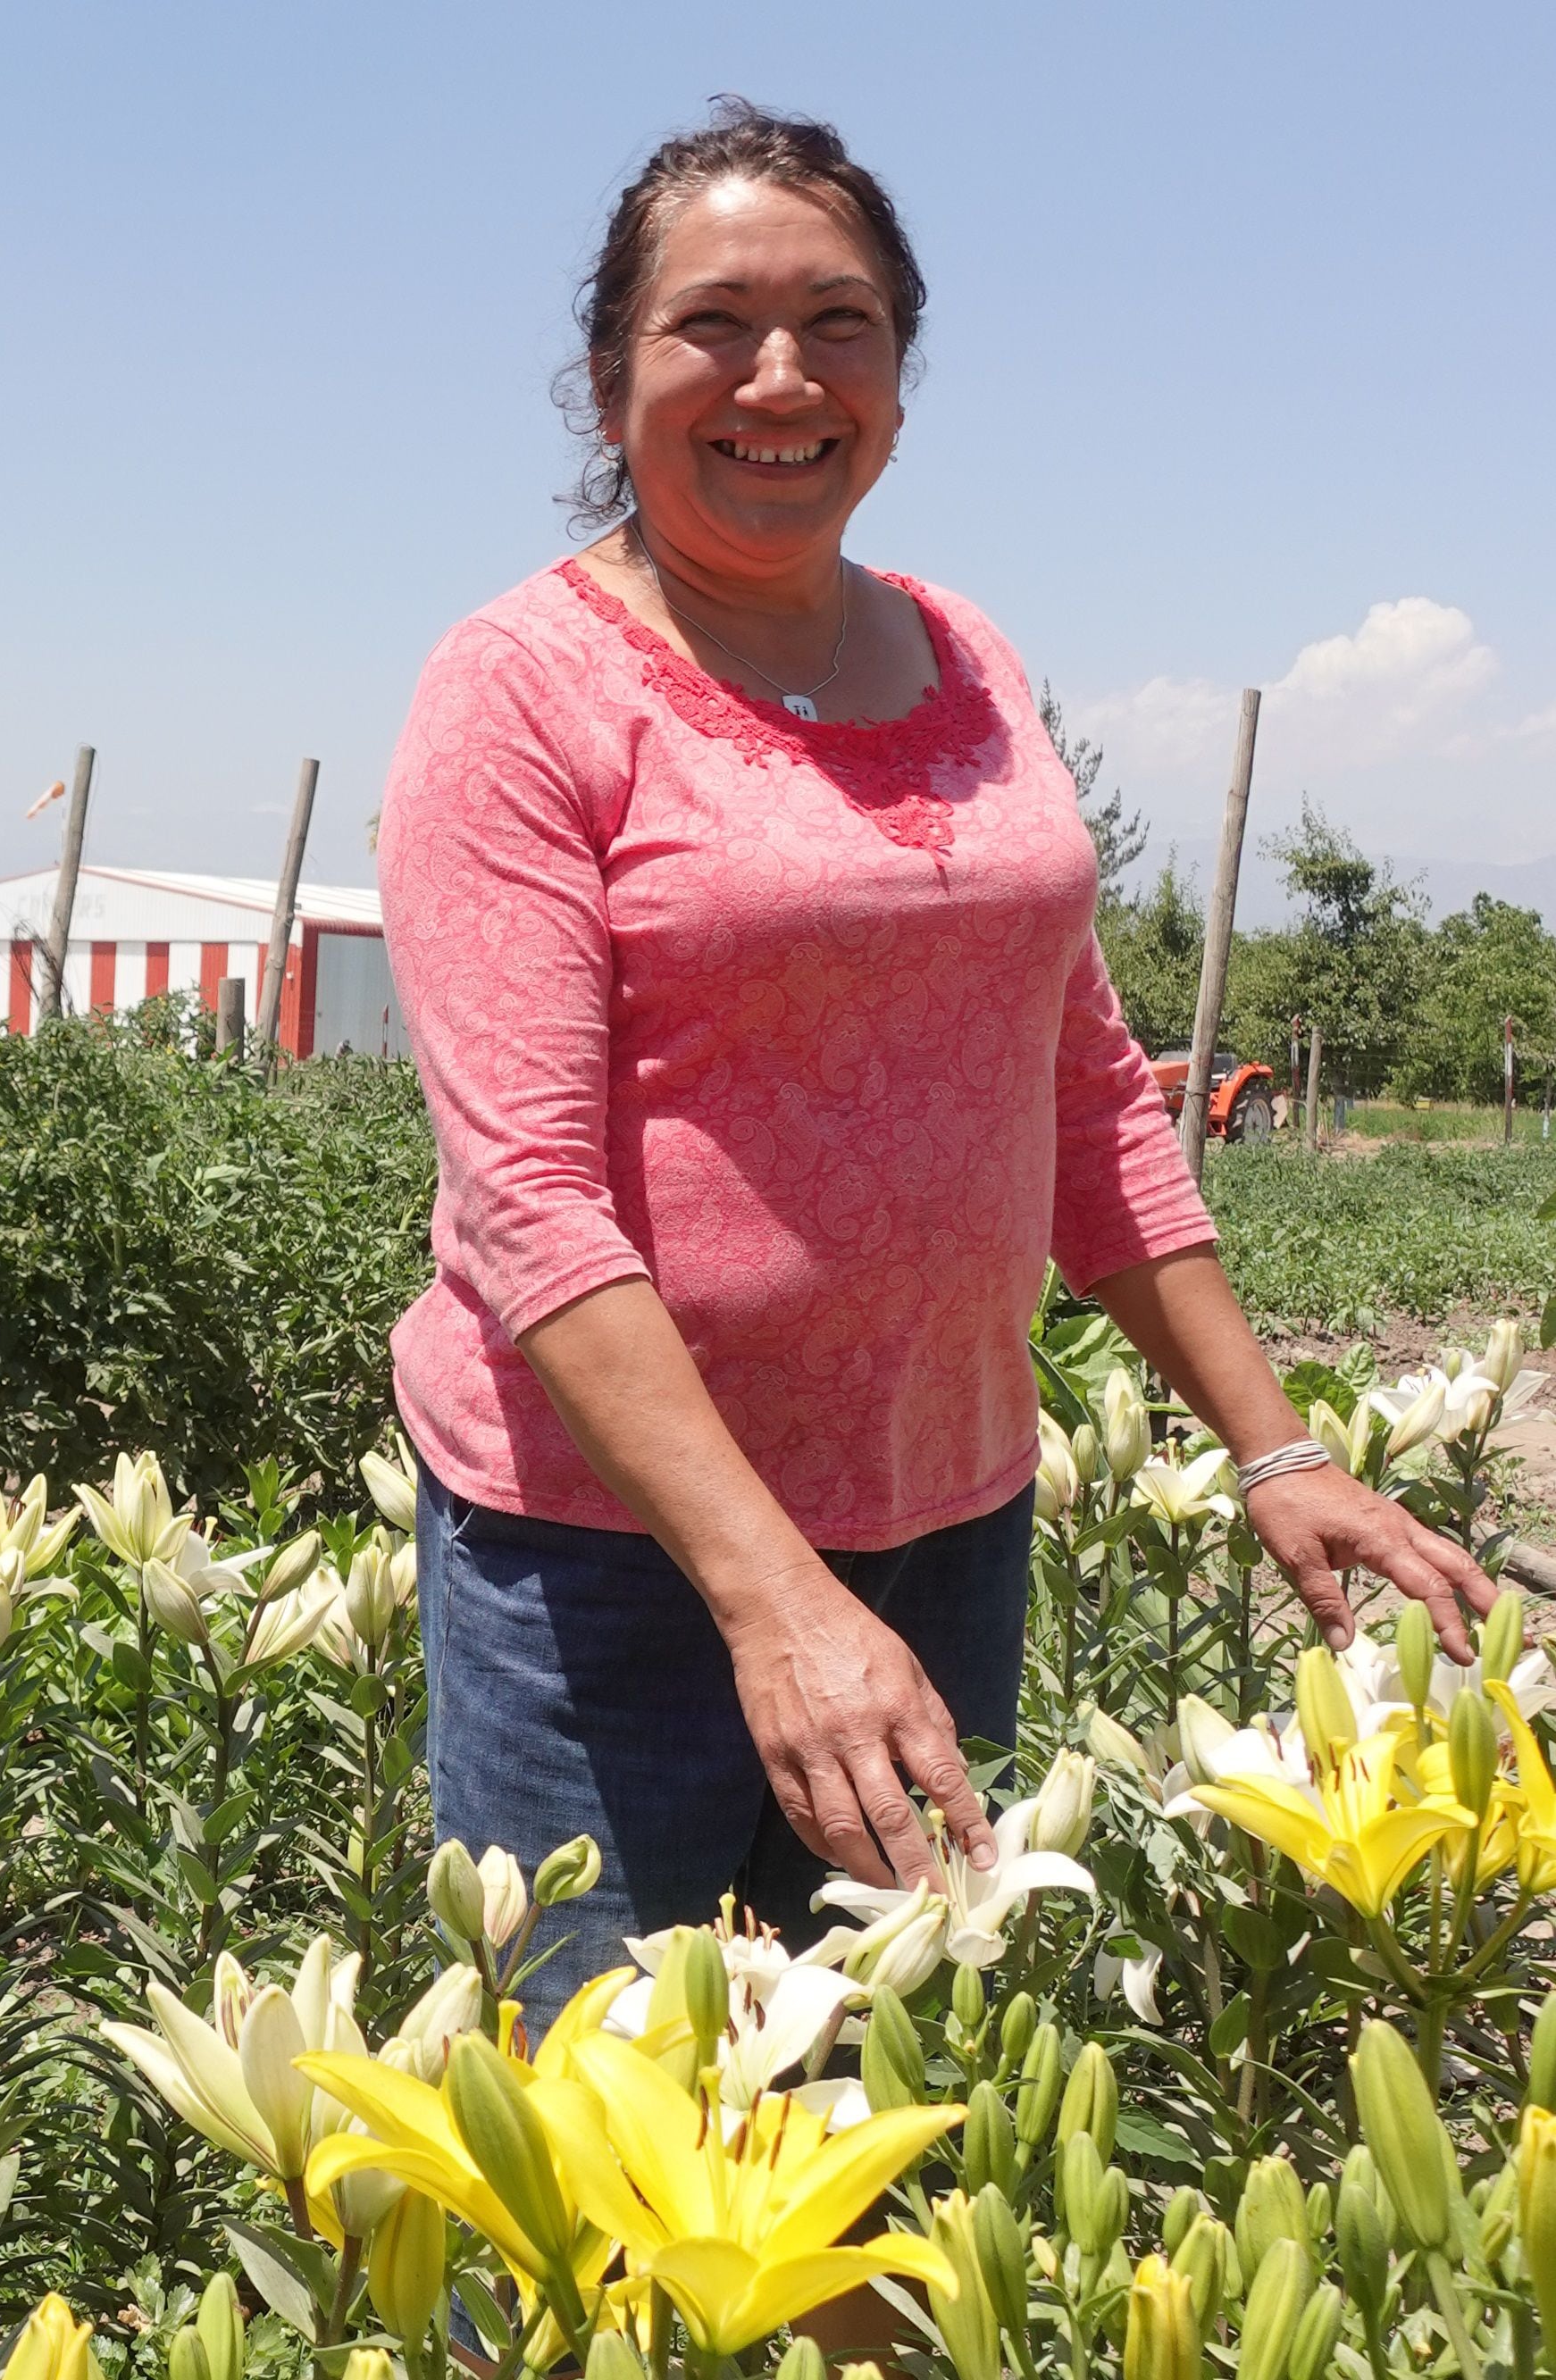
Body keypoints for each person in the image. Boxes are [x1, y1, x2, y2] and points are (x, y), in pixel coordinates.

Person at [375, 100, 1494, 2027]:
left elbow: (1081, 1090)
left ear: (900, 373)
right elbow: (529, 1203)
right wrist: (769, 1598)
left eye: (843, 321)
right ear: (605, 373)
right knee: (602, 2130)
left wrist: (1275, 1443)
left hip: (943, 1516)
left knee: (879, 2104)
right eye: (713, 322)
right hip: (614, 1560)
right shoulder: (521, 689)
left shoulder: (961, 653)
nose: (781, 378)